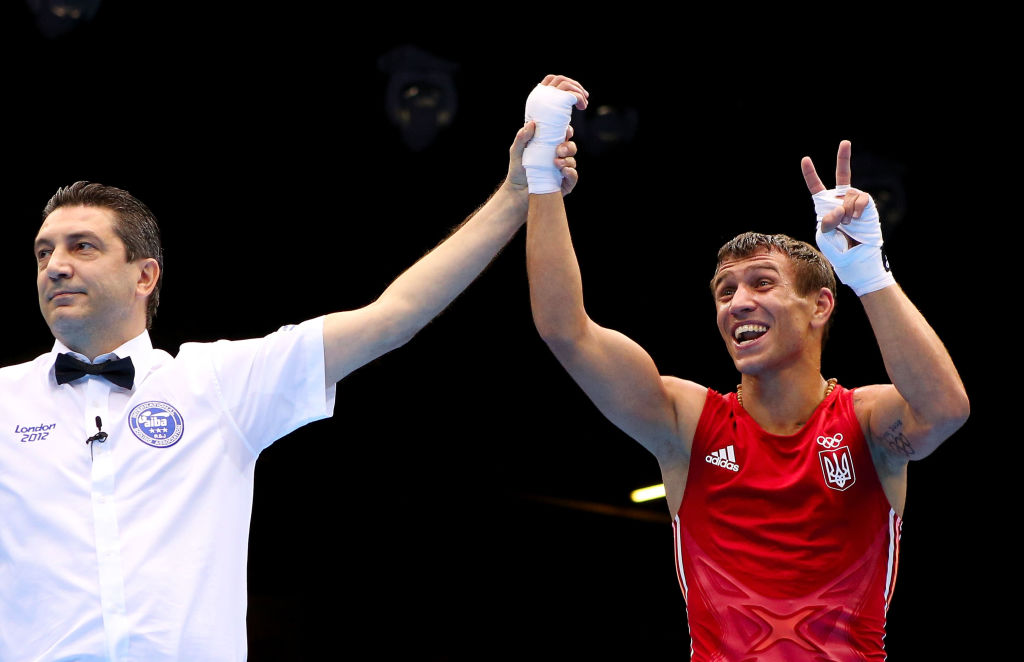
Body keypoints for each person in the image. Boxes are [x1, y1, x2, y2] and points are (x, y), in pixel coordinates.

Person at [0, 75, 589, 662]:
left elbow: (394, 316)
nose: (55, 266)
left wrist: (514, 194)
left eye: (82, 246)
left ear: (144, 275)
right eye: (43, 252)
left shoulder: (215, 382)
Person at [524, 114, 969, 660]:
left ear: (820, 306)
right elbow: (565, 331)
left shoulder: (868, 423)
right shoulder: (684, 422)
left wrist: (869, 275)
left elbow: (945, 410)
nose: (738, 303)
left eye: (761, 283)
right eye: (725, 291)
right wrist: (542, 177)